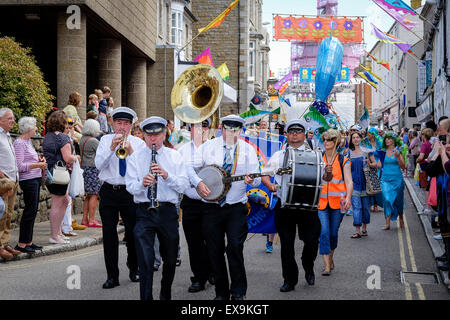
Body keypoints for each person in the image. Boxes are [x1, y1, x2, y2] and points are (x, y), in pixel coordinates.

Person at [195, 114, 260, 300]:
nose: (231, 132)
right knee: (214, 251)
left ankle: (238, 291)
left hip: (235, 208)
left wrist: (251, 179)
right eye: (227, 129)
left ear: (240, 131)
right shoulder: (207, 147)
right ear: (221, 129)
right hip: (211, 208)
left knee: (234, 248)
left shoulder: (247, 150)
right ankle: (221, 293)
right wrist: (199, 183)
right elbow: (192, 170)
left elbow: (255, 181)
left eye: (235, 129)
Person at [125, 116, 189, 300]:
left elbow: (183, 186)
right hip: (144, 212)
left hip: (168, 212)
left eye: (157, 134)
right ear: (144, 136)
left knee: (170, 260)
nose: (153, 139)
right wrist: (142, 184)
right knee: (145, 260)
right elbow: (130, 186)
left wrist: (167, 175)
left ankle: (165, 293)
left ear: (164, 134)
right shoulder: (135, 158)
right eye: (149, 135)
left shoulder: (174, 156)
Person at [261, 120, 322, 291]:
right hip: (285, 206)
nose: (295, 133)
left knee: (311, 241)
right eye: (291, 131)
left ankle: (307, 265)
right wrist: (270, 186)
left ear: (304, 134)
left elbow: (324, 178)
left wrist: (330, 174)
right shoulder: (279, 156)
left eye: (298, 131)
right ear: (286, 135)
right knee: (286, 245)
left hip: (308, 207)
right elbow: (264, 174)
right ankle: (290, 279)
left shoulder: (315, 155)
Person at [94, 107, 145, 289]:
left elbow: (140, 169)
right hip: (109, 191)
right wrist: (111, 148)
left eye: (125, 124)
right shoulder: (105, 140)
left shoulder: (138, 144)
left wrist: (130, 152)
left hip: (130, 192)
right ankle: (112, 276)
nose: (122, 127)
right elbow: (99, 165)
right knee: (109, 234)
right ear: (112, 123)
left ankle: (134, 268)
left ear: (131, 125)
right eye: (118, 123)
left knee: (132, 233)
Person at [178, 119, 214, 293]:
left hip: (212, 203)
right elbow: (184, 171)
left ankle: (213, 270)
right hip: (191, 202)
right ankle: (199, 277)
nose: (200, 129)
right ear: (190, 128)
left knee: (213, 241)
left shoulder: (216, 148)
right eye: (196, 126)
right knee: (194, 242)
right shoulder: (182, 150)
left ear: (209, 128)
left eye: (204, 126)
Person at [317, 129, 353, 276]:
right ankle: (326, 265)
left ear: (337, 142)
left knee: (332, 234)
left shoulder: (343, 160)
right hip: (320, 203)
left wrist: (349, 197)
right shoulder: (318, 158)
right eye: (324, 139)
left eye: (330, 139)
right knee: (324, 232)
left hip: (338, 203)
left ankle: (331, 259)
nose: (326, 142)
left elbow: (349, 182)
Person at [42, 111, 78, 244]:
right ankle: (54, 235)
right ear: (62, 123)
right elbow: (67, 158)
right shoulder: (63, 138)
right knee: (58, 203)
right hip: (60, 173)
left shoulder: (48, 137)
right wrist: (76, 157)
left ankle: (58, 232)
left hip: (50, 173)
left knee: (64, 200)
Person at [13, 117, 47, 254]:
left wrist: (38, 160)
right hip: (28, 180)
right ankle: (22, 244)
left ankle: (28, 241)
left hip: (34, 178)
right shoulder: (19, 143)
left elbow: (28, 160)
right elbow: (20, 166)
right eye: (34, 126)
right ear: (28, 128)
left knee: (32, 211)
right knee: (29, 211)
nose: (37, 129)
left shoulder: (27, 142)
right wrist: (38, 165)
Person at [348, 131, 379, 239]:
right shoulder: (348, 153)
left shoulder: (367, 151)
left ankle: (364, 228)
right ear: (351, 140)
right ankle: (357, 230)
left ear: (361, 139)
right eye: (353, 138)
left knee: (365, 208)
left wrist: (369, 163)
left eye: (357, 137)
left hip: (366, 184)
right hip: (354, 184)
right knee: (356, 207)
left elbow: (376, 164)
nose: (356, 139)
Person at [0, 108, 21, 260]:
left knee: (8, 214)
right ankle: (0, 246)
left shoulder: (7, 135)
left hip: (12, 179)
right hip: (4, 180)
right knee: (2, 214)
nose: (12, 121)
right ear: (0, 120)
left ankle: (5, 242)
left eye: (13, 118)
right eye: (9, 119)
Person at [380, 132, 406, 230]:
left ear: (394, 140)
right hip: (385, 179)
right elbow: (379, 165)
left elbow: (403, 167)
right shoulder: (382, 151)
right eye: (386, 138)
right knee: (387, 199)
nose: (387, 140)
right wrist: (370, 162)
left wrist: (398, 156)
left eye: (389, 138)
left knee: (398, 201)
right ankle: (387, 223)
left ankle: (401, 217)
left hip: (397, 179)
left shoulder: (399, 150)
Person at [80, 119, 102, 228]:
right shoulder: (93, 141)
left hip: (84, 167)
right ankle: (92, 220)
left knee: (88, 195)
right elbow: (102, 153)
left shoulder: (82, 139)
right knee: (94, 194)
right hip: (93, 169)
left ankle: (84, 219)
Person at [417, 128, 434, 214]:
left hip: (423, 166)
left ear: (424, 135)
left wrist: (417, 160)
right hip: (431, 165)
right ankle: (429, 205)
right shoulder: (432, 144)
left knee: (425, 187)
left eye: (422, 134)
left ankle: (427, 207)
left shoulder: (424, 144)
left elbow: (421, 156)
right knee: (430, 186)